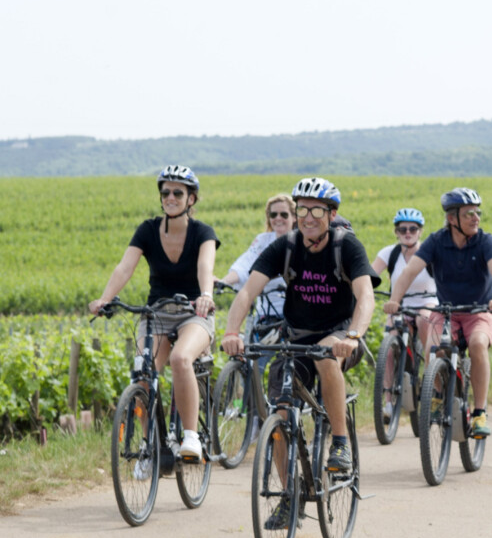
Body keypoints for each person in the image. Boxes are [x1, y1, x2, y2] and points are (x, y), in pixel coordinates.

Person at [222, 177, 378, 500]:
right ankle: (289, 494)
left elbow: (366, 296)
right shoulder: (286, 246)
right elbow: (248, 291)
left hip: (340, 335)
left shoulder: (345, 246)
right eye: (302, 209)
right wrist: (231, 332)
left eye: (317, 211)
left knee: (324, 355)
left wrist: (353, 336)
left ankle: (340, 443)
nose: (308, 217)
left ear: (331, 215)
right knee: (279, 416)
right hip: (295, 340)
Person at [89, 165, 218, 462]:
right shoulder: (148, 230)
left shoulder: (203, 233)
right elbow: (125, 267)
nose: (170, 197)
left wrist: (205, 296)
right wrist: (105, 299)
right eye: (165, 193)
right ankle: (150, 447)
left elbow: (205, 269)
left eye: (178, 193)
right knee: (144, 374)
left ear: (191, 199)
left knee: (181, 359)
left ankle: (190, 437)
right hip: (157, 313)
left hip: (193, 313)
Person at [384, 187, 492, 439]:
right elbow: (409, 272)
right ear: (452, 219)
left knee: (477, 344)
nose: (476, 218)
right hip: (447, 312)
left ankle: (479, 412)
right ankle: (440, 396)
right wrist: (395, 300)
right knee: (433, 349)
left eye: (477, 212)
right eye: (469, 214)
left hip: (481, 310)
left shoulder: (486, 240)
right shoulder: (436, 241)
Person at [221, 193, 296, 324]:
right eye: (273, 215)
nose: (278, 218)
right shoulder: (262, 241)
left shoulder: (302, 241)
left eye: (284, 214)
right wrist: (224, 282)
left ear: (294, 217)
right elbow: (245, 265)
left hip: (295, 313)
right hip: (266, 312)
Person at [373, 207, 437, 331]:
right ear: (396, 232)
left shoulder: (429, 253)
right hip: (399, 305)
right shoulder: (389, 253)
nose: (408, 233)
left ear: (420, 232)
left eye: (413, 229)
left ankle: (427, 350)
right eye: (403, 230)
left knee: (424, 320)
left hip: (427, 304)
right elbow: (369, 276)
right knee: (391, 344)